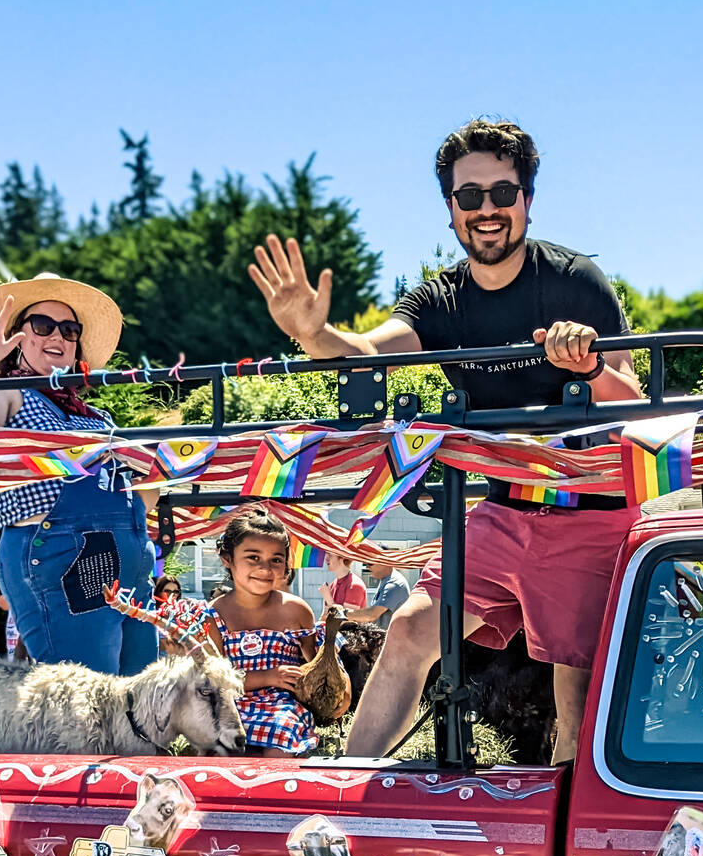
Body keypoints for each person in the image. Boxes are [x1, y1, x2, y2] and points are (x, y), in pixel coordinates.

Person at [249, 119, 642, 762]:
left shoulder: (576, 281)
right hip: (502, 513)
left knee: (575, 697)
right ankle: (349, 799)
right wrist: (312, 336)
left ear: (528, 200)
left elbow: (633, 407)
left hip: (589, 515)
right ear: (451, 211)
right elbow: (369, 352)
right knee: (407, 632)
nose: (486, 210)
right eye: (469, 197)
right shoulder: (439, 298)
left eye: (502, 193)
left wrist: (591, 368)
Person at [0, 275, 159, 676]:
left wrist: (163, 470)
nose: (58, 337)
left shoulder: (96, 417)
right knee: (89, 697)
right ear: (17, 338)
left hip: (128, 560)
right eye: (42, 325)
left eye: (69, 330)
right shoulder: (11, 392)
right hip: (64, 555)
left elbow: (137, 496)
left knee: (142, 693)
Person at [209, 508, 319, 755]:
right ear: (227, 559)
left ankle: (276, 790)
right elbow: (215, 680)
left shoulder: (296, 610)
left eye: (276, 560)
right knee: (219, 742)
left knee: (280, 733)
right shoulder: (213, 615)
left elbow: (316, 665)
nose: (265, 568)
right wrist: (270, 676)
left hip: (283, 706)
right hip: (230, 705)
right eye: (253, 557)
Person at [348, 558, 411, 628]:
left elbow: (372, 614)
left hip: (394, 638)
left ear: (384, 562)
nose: (367, 567)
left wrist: (344, 614)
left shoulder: (394, 583)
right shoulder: (386, 580)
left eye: (370, 563)